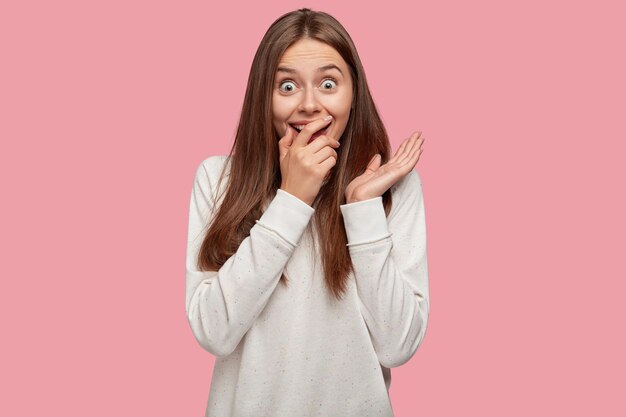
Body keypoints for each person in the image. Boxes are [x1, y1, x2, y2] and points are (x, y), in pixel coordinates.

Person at [185, 8, 429, 416]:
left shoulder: (391, 188)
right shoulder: (217, 179)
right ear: (263, 97)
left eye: (329, 83)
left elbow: (397, 345)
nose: (309, 105)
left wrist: (364, 208)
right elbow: (213, 332)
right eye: (286, 86)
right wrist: (292, 199)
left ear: (354, 95)